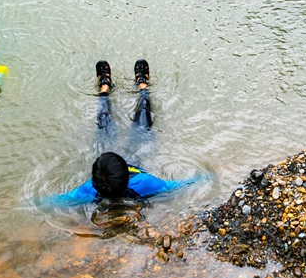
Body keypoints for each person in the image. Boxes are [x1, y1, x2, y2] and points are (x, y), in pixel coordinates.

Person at [43, 59, 198, 206]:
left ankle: (105, 88)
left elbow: (56, 201)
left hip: (124, 159)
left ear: (94, 181)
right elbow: (184, 185)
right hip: (136, 157)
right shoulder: (143, 184)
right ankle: (143, 87)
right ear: (128, 176)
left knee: (105, 123)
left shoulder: (88, 191)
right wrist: (217, 173)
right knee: (142, 121)